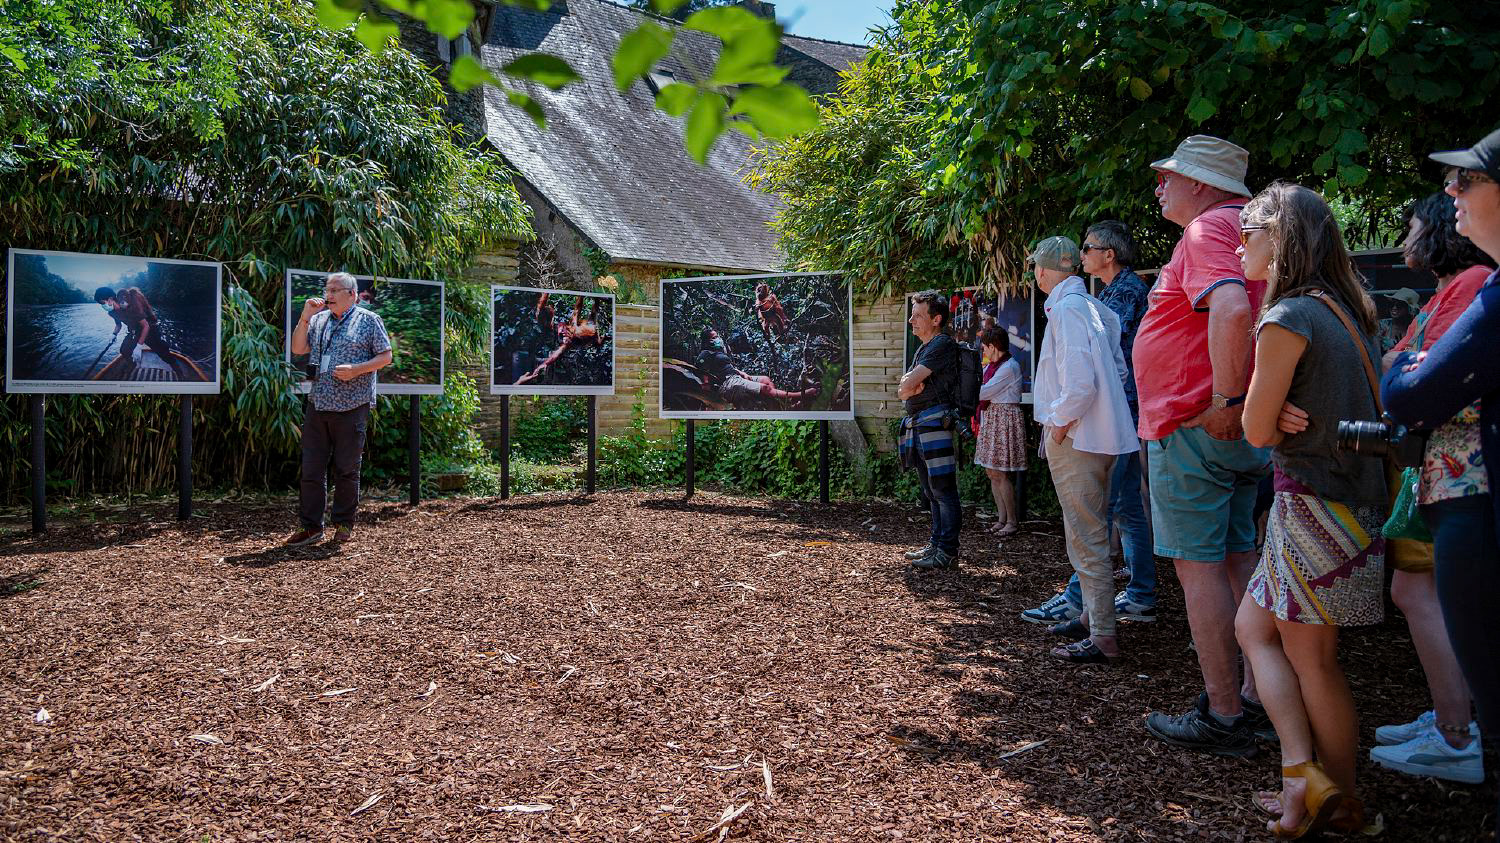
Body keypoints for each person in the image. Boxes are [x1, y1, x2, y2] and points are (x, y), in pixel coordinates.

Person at [1234, 183, 1387, 837]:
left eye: (1250, 230)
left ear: (1282, 239)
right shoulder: (1349, 310)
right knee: (1252, 627)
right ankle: (1305, 775)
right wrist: (1281, 414)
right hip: (1351, 508)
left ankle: (1338, 799)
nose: (1241, 243)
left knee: (1313, 660)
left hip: (1311, 510)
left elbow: (1254, 430)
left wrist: (1272, 416)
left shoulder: (1287, 315)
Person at [1132, 135, 1274, 755]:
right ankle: (1259, 697)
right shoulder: (1249, 231)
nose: (1161, 184)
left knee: (1200, 571)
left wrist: (1225, 400)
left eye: (1171, 174)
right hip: (1232, 430)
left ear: (1203, 184)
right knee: (1241, 558)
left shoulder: (1207, 231)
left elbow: (1232, 309)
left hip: (1196, 428)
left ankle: (1222, 712)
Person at [1383, 128, 1500, 825]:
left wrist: (1405, 372)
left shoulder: (1480, 287)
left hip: (1471, 494)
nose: (1450, 192)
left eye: (1466, 181)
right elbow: (1405, 365)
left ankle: (1458, 732)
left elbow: (1409, 385)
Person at [1033, 221, 1157, 625]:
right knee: (1114, 512)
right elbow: (1116, 367)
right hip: (1116, 421)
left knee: (1094, 522)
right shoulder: (1096, 301)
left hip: (1095, 427)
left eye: (1090, 247)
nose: (1083, 254)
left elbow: (1087, 378)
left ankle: (1096, 613)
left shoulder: (1085, 304)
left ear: (1110, 254)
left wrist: (1057, 422)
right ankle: (1094, 605)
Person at [285, 272, 393, 547]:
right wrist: (305, 316)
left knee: (346, 469)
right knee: (311, 469)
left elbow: (386, 356)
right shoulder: (319, 319)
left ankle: (343, 524)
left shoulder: (369, 320)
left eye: (335, 290)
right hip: (318, 402)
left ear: (352, 295)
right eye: (327, 289)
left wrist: (357, 369)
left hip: (351, 405)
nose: (328, 294)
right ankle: (311, 527)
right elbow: (298, 349)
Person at [898, 291, 961, 570]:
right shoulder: (924, 347)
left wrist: (909, 385)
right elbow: (904, 390)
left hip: (935, 424)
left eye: (918, 315)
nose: (911, 320)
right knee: (931, 491)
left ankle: (947, 550)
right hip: (922, 425)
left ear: (936, 319)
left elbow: (908, 385)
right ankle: (936, 544)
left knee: (943, 490)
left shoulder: (942, 344)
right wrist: (908, 386)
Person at [974, 326, 1024, 537]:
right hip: (993, 419)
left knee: (1001, 473)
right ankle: (1001, 518)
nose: (983, 351)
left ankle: (1012, 521)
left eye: (984, 347)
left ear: (993, 347)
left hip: (1004, 421)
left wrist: (966, 388)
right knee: (992, 472)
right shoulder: (992, 367)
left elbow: (983, 391)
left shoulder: (1008, 368)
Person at [92, 285, 201, 381]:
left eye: (102, 303)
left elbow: (146, 326)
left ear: (110, 299)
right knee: (124, 350)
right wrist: (113, 334)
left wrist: (139, 346)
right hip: (134, 330)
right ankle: (132, 364)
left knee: (163, 352)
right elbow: (118, 325)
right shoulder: (112, 312)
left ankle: (179, 372)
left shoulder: (129, 305)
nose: (102, 306)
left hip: (149, 329)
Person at [694, 328, 817, 408]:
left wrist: (741, 372)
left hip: (735, 377)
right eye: (714, 337)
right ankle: (803, 395)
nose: (718, 339)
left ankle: (783, 405)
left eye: (717, 336)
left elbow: (726, 367)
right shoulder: (704, 354)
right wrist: (709, 398)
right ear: (707, 340)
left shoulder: (718, 351)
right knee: (765, 388)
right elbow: (703, 374)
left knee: (765, 379)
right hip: (727, 384)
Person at [516, 293, 603, 384]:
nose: (563, 336)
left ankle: (595, 299)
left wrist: (581, 296)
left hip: (587, 330)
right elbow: (556, 354)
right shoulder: (569, 341)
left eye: (562, 334)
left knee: (592, 313)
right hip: (589, 332)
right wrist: (544, 364)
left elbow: (577, 309)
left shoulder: (572, 327)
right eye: (561, 335)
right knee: (593, 314)